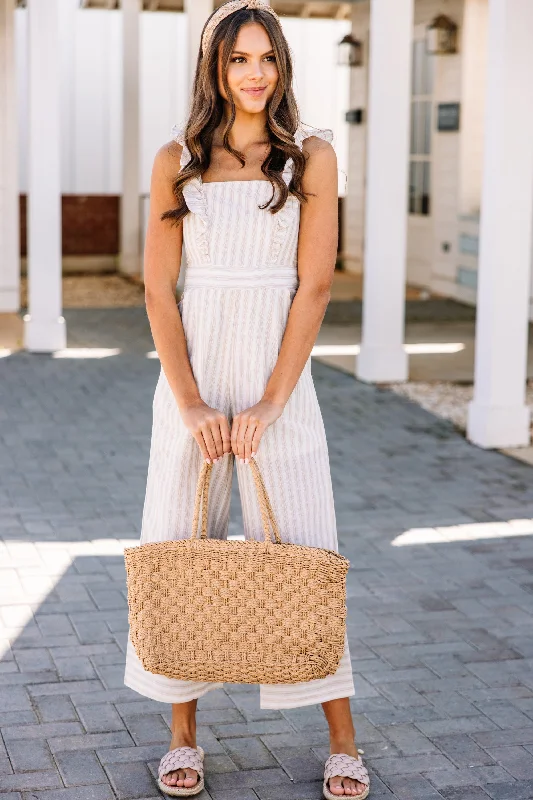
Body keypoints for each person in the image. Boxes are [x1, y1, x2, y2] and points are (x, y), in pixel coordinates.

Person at [123, 1, 370, 797]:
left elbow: (316, 284)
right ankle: (183, 735)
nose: (255, 72)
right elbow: (160, 290)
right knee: (179, 535)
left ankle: (342, 740)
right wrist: (191, 403)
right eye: (238, 59)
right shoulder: (175, 158)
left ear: (283, 65)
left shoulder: (312, 158)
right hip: (192, 373)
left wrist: (270, 401)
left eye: (266, 57)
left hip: (279, 377)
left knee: (303, 541)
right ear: (215, 69)